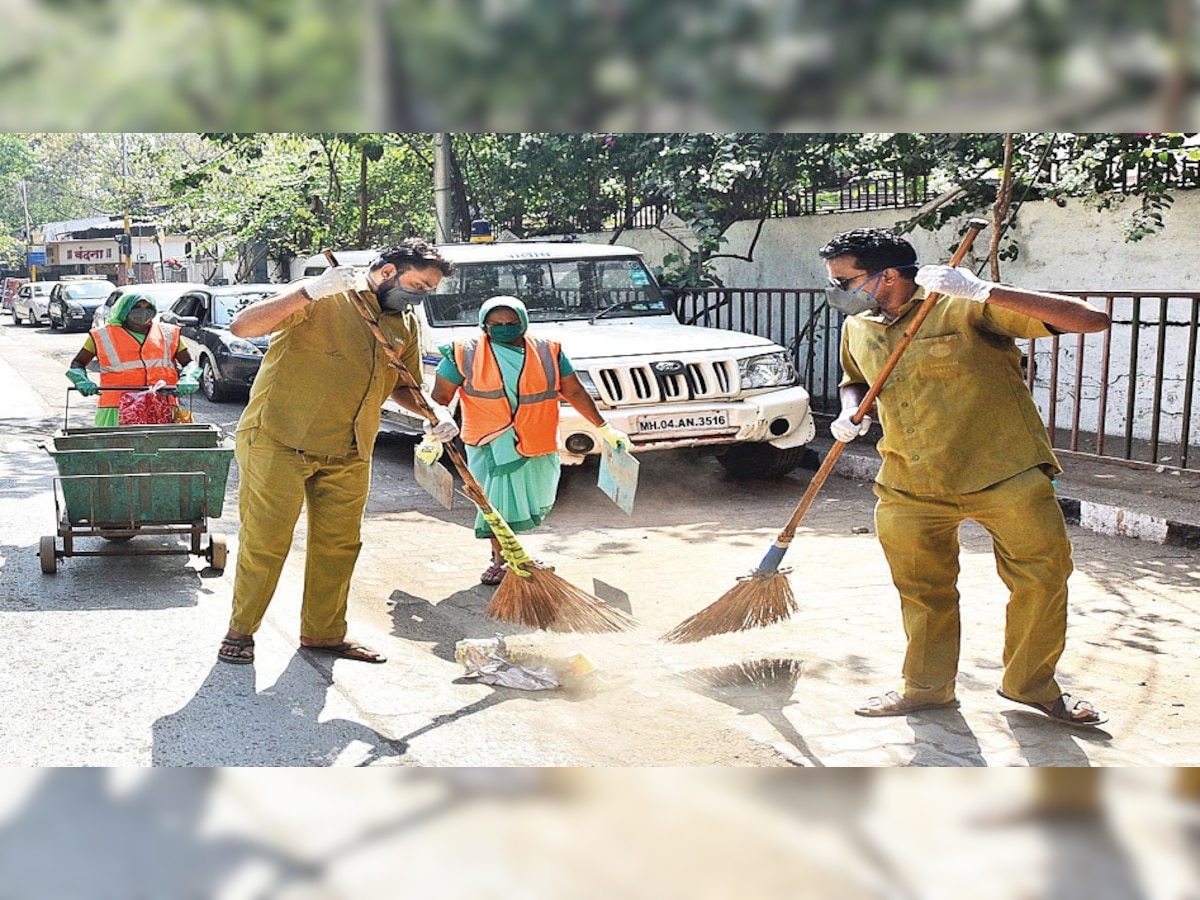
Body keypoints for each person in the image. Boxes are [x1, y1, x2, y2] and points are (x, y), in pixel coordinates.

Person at [818, 227, 1112, 726]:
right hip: (910, 482)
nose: (838, 292)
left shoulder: (961, 306)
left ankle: (1031, 685)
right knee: (922, 590)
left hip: (1003, 472)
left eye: (845, 281)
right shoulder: (860, 328)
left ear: (887, 275)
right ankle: (927, 688)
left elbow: (1090, 319)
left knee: (1041, 580)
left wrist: (983, 290)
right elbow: (858, 382)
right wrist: (851, 412)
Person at [217, 240, 460, 666]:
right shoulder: (325, 297)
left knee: (340, 545)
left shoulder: (404, 322)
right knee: (266, 541)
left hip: (350, 446)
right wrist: (309, 292)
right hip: (280, 438)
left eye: (429, 289)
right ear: (387, 271)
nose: (421, 295)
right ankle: (241, 630)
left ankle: (324, 634)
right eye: (418, 284)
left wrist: (432, 410)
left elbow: (402, 382)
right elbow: (242, 327)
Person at [428, 296, 630, 584]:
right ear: (483, 324)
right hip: (490, 441)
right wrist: (433, 431)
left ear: (524, 321)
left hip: (537, 439)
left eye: (511, 323)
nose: (504, 328)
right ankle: (503, 559)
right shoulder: (464, 353)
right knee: (496, 504)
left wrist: (604, 428)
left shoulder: (549, 351)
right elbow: (440, 398)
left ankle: (508, 556)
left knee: (535, 500)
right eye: (495, 324)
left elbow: (573, 391)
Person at [65, 291, 199, 425]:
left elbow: (189, 362)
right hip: (115, 407)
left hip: (162, 405)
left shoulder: (169, 333)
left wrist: (188, 377)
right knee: (119, 445)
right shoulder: (102, 335)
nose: (143, 312)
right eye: (137, 307)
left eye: (148, 308)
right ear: (124, 310)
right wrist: (81, 379)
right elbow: (79, 362)